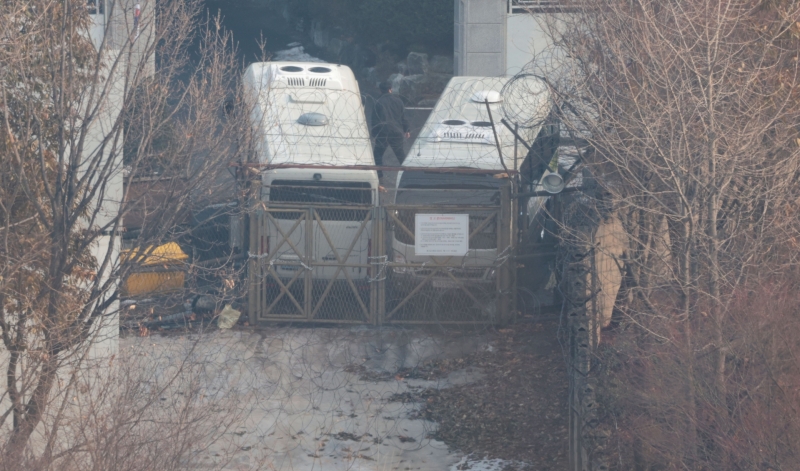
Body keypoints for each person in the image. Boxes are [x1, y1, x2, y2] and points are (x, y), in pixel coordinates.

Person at [371, 82, 410, 177]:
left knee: (377, 155)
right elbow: (403, 117)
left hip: (383, 132)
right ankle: (407, 175)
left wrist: (374, 133)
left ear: (381, 90)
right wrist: (407, 130)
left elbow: (375, 119)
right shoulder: (398, 101)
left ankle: (380, 177)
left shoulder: (378, 101)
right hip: (396, 132)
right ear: (390, 89)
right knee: (400, 155)